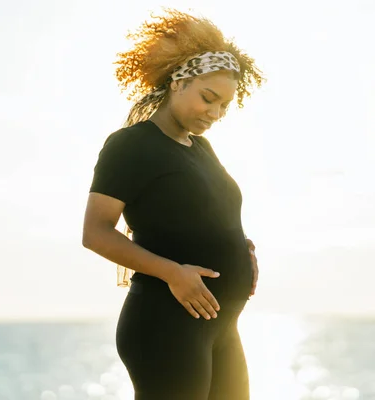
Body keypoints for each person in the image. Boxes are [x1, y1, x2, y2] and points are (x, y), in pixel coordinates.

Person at [82, 9, 264, 400]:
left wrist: (242, 246)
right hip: (166, 325)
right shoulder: (131, 145)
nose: (214, 114)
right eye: (207, 98)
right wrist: (173, 273)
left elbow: (208, 213)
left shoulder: (202, 148)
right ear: (178, 81)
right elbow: (95, 232)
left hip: (222, 325)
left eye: (223, 107)